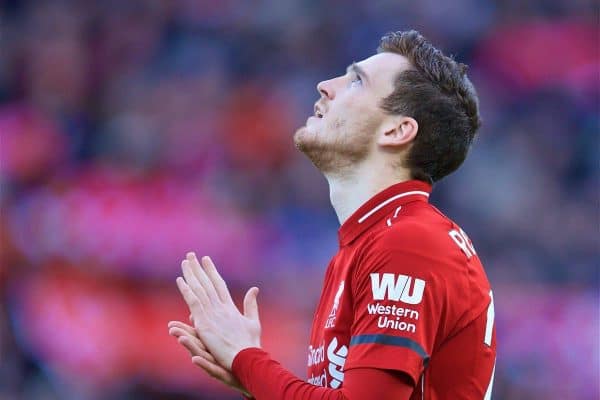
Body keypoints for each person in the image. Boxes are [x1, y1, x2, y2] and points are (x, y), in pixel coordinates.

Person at [168, 30, 496, 399]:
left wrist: (247, 360)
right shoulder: (370, 243)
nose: (326, 86)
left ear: (397, 130)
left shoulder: (410, 243)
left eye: (357, 81)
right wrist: (251, 375)